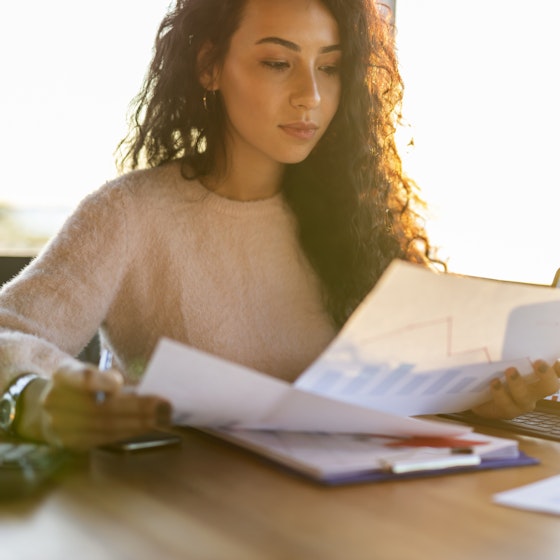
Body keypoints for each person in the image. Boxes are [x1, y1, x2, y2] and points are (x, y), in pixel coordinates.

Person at [0, 0, 558, 450]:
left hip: (343, 512)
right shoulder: (127, 215)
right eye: (277, 62)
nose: (310, 96)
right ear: (209, 66)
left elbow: (400, 384)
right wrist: (36, 393)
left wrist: (483, 395)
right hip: (178, 516)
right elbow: (8, 334)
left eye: (331, 67)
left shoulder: (357, 217)